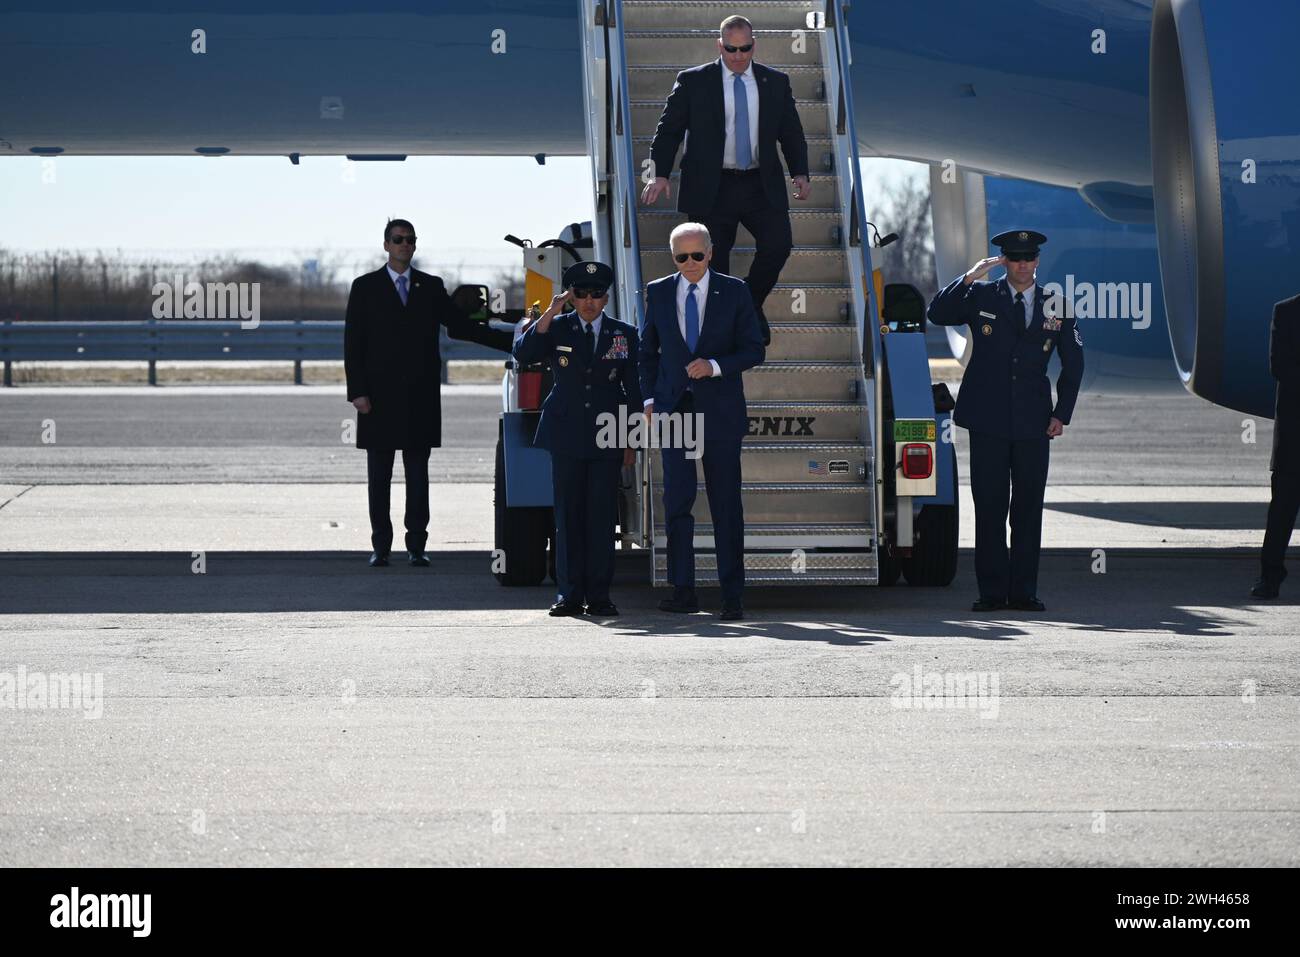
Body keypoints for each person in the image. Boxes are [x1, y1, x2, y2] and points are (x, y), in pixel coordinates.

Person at [927, 229, 1084, 612]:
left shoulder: (1056, 304)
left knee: (1028, 508)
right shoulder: (981, 295)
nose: (1023, 265)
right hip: (988, 420)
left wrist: (1061, 413)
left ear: (1037, 261)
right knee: (991, 507)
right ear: (1004, 260)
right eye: (1015, 259)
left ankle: (1024, 592)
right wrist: (969, 276)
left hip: (1034, 422)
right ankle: (993, 592)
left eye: (1029, 258)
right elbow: (938, 313)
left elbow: (1074, 364)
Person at [344, 218, 513, 567]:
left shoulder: (430, 286)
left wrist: (516, 340)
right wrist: (357, 392)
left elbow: (462, 327)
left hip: (419, 397)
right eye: (398, 239)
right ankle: (381, 546)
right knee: (379, 477)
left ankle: (417, 545)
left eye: (410, 240)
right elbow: (353, 343)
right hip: (377, 398)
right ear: (386, 245)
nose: (405, 244)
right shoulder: (365, 287)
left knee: (418, 476)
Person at [640, 14, 809, 345]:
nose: (738, 56)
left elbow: (791, 132)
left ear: (753, 45)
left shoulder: (775, 81)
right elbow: (668, 130)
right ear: (720, 45)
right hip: (712, 186)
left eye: (745, 49)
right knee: (715, 259)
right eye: (731, 49)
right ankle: (727, 327)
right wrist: (659, 174)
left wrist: (799, 172)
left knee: (778, 245)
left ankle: (747, 301)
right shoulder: (693, 81)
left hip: (759, 183)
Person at [639, 222, 765, 620]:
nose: (690, 264)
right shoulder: (658, 292)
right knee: (677, 500)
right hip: (673, 410)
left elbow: (753, 349)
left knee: (726, 503)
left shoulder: (735, 291)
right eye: (681, 257)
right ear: (672, 256)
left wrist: (713, 366)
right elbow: (647, 351)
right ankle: (683, 589)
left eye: (697, 255)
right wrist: (648, 397)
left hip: (720, 413)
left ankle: (732, 594)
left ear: (710, 252)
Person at [513, 262, 642, 617]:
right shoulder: (556, 328)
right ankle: (568, 595)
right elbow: (523, 355)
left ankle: (599, 595)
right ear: (572, 297)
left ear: (606, 296)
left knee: (601, 517)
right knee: (567, 516)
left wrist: (631, 441)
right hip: (566, 434)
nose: (589, 301)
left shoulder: (624, 334)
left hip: (607, 434)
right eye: (581, 294)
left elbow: (634, 389)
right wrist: (551, 312)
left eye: (596, 294)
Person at [1252, 293, 1300, 598]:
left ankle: (1271, 576)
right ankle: (1270, 577)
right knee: (1281, 514)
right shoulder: (1285, 312)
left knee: (1281, 513)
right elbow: (1278, 366)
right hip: (1293, 437)